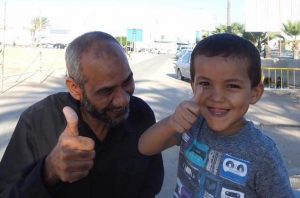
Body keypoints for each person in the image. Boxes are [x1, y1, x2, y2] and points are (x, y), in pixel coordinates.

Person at [0, 31, 164, 198]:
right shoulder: (37, 124)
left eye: (127, 81)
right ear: (74, 88)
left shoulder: (141, 115)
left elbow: (151, 184)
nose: (123, 100)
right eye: (106, 91)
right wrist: (49, 171)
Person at [139, 33, 294, 197]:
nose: (217, 97)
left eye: (232, 86)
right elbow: (145, 147)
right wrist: (171, 122)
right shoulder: (191, 124)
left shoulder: (263, 153)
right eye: (205, 84)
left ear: (255, 93)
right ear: (193, 86)